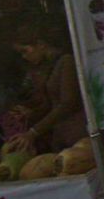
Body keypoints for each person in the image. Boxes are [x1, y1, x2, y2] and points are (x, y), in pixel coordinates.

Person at [11, 24, 87, 153]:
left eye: (25, 51)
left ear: (41, 44)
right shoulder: (48, 66)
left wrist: (33, 132)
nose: (24, 57)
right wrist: (32, 113)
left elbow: (67, 104)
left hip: (77, 133)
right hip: (61, 134)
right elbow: (51, 103)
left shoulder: (66, 62)